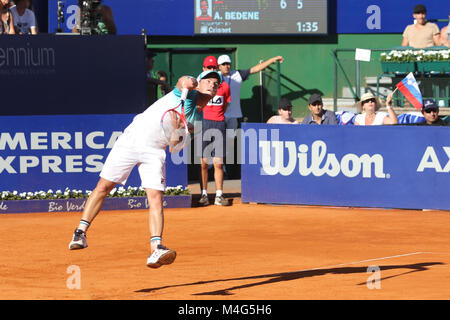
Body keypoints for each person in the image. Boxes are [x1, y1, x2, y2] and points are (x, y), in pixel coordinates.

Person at [68, 70, 222, 269]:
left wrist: (176, 130)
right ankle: (80, 233)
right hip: (132, 140)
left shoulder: (195, 121)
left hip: (155, 151)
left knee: (156, 198)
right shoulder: (185, 93)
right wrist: (190, 81)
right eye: (208, 81)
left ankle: (156, 248)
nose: (212, 84)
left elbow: (175, 146)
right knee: (104, 187)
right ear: (200, 84)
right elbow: (183, 81)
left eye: (216, 83)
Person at [217, 54, 285, 132]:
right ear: (219, 66)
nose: (226, 66)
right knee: (218, 139)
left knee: (230, 141)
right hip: (218, 115)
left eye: (228, 64)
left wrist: (272, 59)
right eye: (223, 64)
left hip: (233, 116)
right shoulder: (214, 76)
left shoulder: (237, 74)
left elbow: (255, 69)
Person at [198, 56, 231, 206]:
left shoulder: (224, 86)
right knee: (204, 163)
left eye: (214, 68)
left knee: (218, 162)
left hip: (219, 125)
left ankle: (219, 195)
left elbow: (225, 107)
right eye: (208, 68)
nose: (212, 71)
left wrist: (218, 117)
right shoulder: (198, 86)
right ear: (204, 69)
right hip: (204, 124)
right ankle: (204, 194)